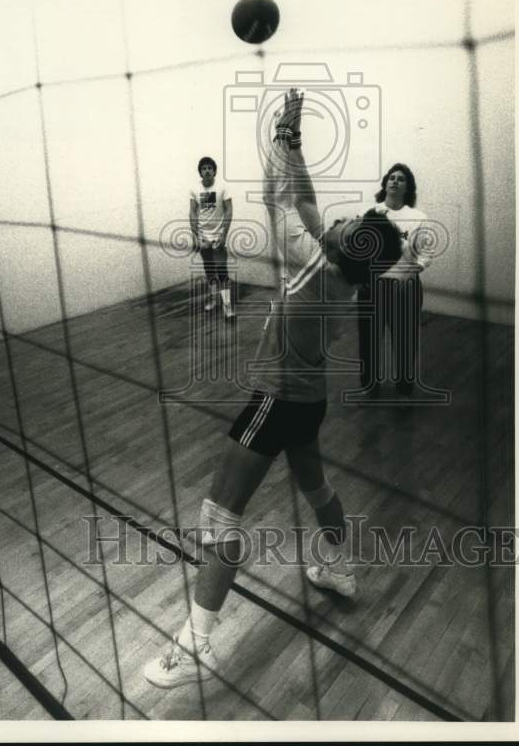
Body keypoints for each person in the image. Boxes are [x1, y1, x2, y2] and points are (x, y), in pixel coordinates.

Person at [144, 90, 402, 689]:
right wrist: (296, 141)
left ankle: (198, 643)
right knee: (316, 487)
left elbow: (277, 197)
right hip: (309, 401)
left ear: (344, 246)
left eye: (349, 224)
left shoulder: (309, 261)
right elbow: (308, 202)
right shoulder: (343, 274)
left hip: (275, 400)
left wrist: (281, 139)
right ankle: (337, 566)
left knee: (218, 516)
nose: (338, 220)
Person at [357, 163, 432, 397]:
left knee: (404, 343)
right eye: (391, 177)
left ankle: (404, 392)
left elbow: (425, 255)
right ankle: (370, 389)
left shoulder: (418, 218)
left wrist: (407, 276)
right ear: (385, 183)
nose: (395, 181)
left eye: (401, 179)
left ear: (408, 187)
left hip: (405, 289)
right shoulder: (370, 213)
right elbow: (357, 251)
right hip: (371, 288)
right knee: (369, 342)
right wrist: (360, 277)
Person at [189, 156, 234, 318]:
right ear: (200, 172)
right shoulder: (195, 189)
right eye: (204, 168)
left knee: (222, 271)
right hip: (203, 237)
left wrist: (224, 234)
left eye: (210, 168)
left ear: (214, 170)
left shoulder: (223, 187)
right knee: (209, 271)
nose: (207, 171)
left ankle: (227, 305)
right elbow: (193, 212)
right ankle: (214, 298)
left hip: (218, 235)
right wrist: (195, 236)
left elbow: (229, 210)